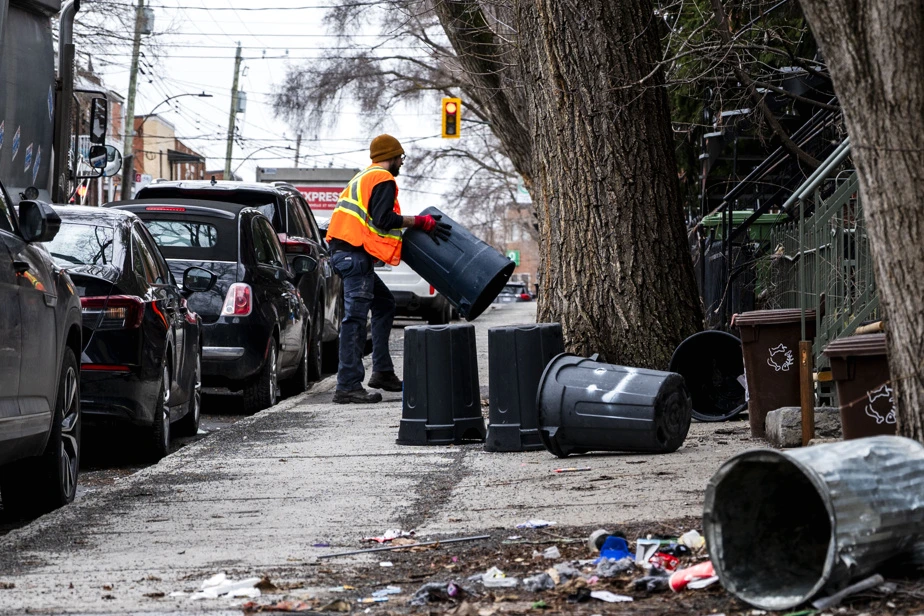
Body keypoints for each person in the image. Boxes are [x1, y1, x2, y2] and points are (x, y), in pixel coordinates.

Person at [326, 134, 452, 404]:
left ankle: (382, 371)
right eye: (401, 158)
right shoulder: (383, 179)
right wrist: (421, 222)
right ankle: (347, 385)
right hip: (353, 256)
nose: (401, 164)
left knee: (384, 305)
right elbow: (384, 220)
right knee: (355, 321)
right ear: (392, 157)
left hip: (346, 254)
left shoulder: (362, 177)